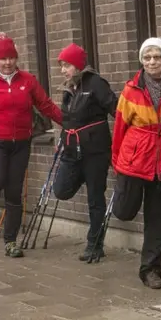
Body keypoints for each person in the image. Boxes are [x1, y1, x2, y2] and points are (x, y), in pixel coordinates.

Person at [0, 33, 62, 257]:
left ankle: (11, 241)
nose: (8, 62)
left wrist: (67, 122)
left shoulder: (28, 81)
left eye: (11, 58)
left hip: (20, 142)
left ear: (16, 58)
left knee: (14, 192)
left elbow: (45, 105)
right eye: (3, 59)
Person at [111, 38, 161, 289]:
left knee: (159, 217)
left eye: (157, 57)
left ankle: (151, 270)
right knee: (124, 210)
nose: (152, 62)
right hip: (134, 157)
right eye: (147, 57)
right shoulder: (130, 90)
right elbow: (120, 128)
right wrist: (116, 161)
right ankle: (119, 203)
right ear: (142, 61)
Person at [52, 43, 118, 262]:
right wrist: (61, 140)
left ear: (78, 65)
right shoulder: (69, 88)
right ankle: (81, 177)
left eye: (67, 65)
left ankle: (95, 244)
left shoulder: (96, 84)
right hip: (72, 150)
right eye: (62, 65)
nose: (63, 70)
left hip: (95, 151)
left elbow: (116, 111)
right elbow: (67, 119)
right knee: (61, 189)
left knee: (95, 199)